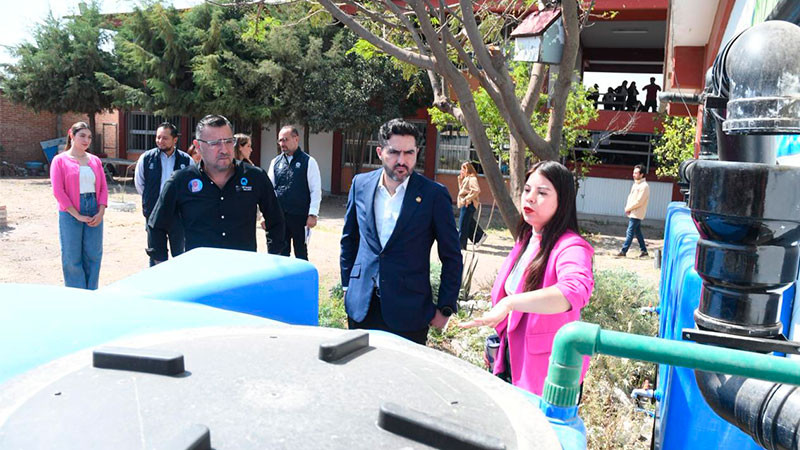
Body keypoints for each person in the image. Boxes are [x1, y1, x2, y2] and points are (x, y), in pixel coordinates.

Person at [461, 161, 594, 396]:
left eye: (542, 193)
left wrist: (510, 303)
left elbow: (574, 291)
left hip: (549, 374)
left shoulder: (572, 246)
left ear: (562, 201)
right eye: (527, 190)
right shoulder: (528, 237)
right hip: (513, 357)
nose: (530, 198)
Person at [340, 118, 463, 345]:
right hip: (361, 308)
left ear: (417, 152)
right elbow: (350, 240)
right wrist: (347, 286)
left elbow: (452, 255)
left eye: (409, 153)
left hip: (409, 311)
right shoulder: (360, 184)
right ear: (380, 152)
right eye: (394, 152)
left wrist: (445, 307)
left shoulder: (433, 195)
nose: (402, 160)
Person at [146, 115, 285, 263]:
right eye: (214, 143)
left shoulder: (255, 177)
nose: (224, 149)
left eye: (228, 141)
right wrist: (161, 264)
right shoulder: (181, 181)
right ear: (198, 146)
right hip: (199, 275)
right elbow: (156, 226)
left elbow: (276, 220)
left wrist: (274, 259)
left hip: (242, 272)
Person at [50, 122, 108, 289]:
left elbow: (103, 187)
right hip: (70, 212)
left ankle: (91, 292)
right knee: (72, 256)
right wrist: (77, 214)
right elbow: (58, 191)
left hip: (94, 209)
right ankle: (76, 295)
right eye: (82, 135)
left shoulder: (95, 160)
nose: (86, 140)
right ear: (72, 135)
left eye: (89, 137)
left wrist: (101, 211)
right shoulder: (59, 161)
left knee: (94, 255)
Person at [134, 122, 191, 266]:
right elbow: (140, 184)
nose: (160, 141)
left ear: (175, 140)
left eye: (165, 138)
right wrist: (152, 201)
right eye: (158, 137)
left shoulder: (186, 160)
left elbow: (191, 187)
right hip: (154, 213)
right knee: (156, 255)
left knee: (180, 254)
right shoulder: (146, 158)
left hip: (177, 214)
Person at [267, 125, 321, 261]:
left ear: (296, 139)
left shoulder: (308, 161)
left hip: (300, 217)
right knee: (280, 254)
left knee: (301, 254)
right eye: (280, 141)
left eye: (285, 140)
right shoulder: (275, 162)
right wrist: (265, 215)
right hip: (279, 216)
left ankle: (302, 282)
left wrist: (313, 214)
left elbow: (315, 190)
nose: (282, 144)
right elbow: (269, 191)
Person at [616, 164, 650, 258]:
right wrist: (628, 208)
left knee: (630, 232)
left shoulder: (644, 186)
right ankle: (644, 250)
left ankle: (624, 251)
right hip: (633, 212)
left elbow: (639, 201)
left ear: (642, 174)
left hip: (637, 213)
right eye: (633, 172)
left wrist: (628, 208)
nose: (633, 174)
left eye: (636, 173)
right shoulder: (636, 184)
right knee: (637, 232)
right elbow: (631, 198)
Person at [456, 161, 486, 249]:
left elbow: (476, 190)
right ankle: (479, 236)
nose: (461, 171)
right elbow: (462, 190)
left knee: (463, 225)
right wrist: (460, 179)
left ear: (467, 169)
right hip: (465, 203)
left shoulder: (472, 178)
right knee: (468, 223)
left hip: (469, 203)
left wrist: (467, 199)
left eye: (463, 169)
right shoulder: (466, 178)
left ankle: (461, 244)